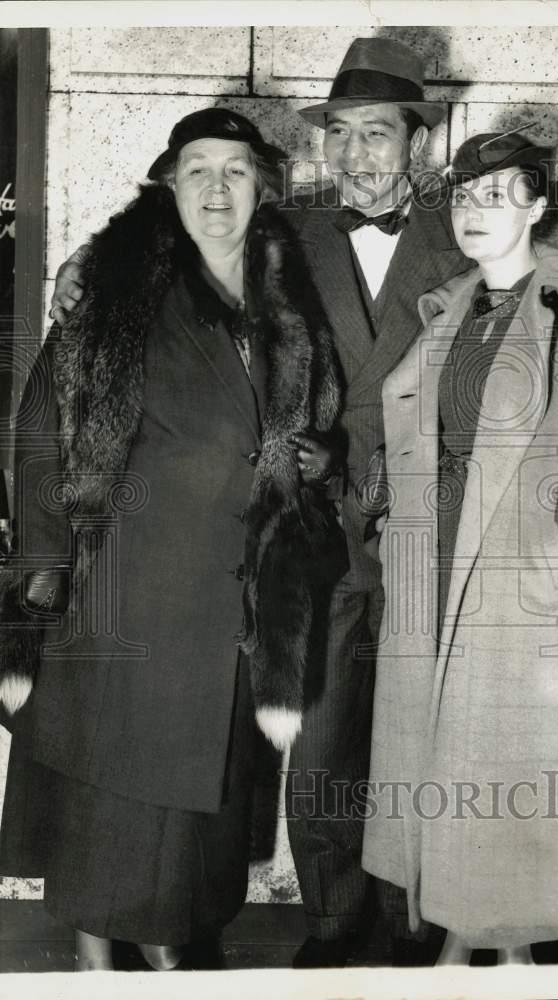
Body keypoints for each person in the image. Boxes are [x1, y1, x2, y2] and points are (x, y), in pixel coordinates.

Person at [47, 36, 558, 968]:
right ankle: (335, 928)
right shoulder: (280, 230)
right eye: (340, 136)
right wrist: (86, 272)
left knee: (448, 735)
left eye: (378, 135)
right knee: (326, 741)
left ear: (417, 142)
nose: (358, 156)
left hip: (446, 535)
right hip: (321, 532)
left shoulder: (465, 221)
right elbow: (172, 247)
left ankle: (433, 923)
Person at [0, 107, 342, 971]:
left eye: (235, 169)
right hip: (130, 584)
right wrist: (45, 572)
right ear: (168, 184)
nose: (217, 188)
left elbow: (319, 411)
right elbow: (44, 422)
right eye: (198, 170)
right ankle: (93, 959)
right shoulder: (116, 290)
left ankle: (168, 943)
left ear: (263, 184)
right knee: (107, 784)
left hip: (238, 594)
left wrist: (320, 452)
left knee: (200, 804)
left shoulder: (286, 297)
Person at [361, 130, 558, 965]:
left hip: (521, 577)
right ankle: (461, 940)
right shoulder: (450, 307)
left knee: (507, 779)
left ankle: (513, 953)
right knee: (445, 765)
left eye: (499, 194)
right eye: (465, 195)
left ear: (539, 206)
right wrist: (393, 521)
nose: (475, 210)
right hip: (433, 566)